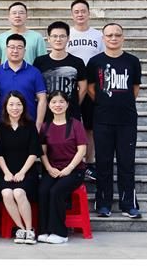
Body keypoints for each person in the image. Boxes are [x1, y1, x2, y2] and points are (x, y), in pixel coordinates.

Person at [86, 23, 142, 219]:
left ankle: (129, 204)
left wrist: (121, 102)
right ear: (103, 38)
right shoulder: (95, 61)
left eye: (117, 35)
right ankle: (103, 203)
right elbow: (91, 88)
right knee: (104, 162)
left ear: (123, 37)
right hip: (102, 119)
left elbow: (135, 89)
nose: (113, 38)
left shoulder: (132, 61)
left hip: (127, 120)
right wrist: (105, 102)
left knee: (127, 162)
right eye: (109, 35)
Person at [37, 90, 88, 244]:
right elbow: (42, 152)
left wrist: (69, 168)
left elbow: (82, 150)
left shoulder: (76, 124)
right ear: (49, 105)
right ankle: (44, 230)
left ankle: (60, 233)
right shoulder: (45, 126)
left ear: (67, 104)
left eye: (61, 102)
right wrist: (48, 168)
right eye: (54, 102)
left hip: (74, 170)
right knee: (43, 190)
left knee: (56, 191)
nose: (57, 105)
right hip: (53, 169)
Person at [0, 91, 41, 245]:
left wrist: (22, 172)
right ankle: (20, 228)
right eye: (11, 104)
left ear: (24, 107)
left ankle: (29, 229)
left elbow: (34, 152)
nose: (15, 108)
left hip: (27, 172)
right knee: (7, 193)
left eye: (18, 104)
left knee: (19, 192)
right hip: (6, 172)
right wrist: (7, 172)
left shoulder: (30, 126)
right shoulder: (0, 127)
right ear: (5, 107)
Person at [67, 0, 105, 182]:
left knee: (89, 127)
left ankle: (89, 163)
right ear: (72, 14)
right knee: (68, 126)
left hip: (91, 86)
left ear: (89, 13)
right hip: (70, 86)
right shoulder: (67, 34)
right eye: (76, 11)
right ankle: (69, 161)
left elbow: (104, 59)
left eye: (83, 11)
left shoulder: (98, 35)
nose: (80, 14)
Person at [34, 21, 87, 126]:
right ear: (48, 39)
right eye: (54, 36)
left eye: (62, 36)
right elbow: (36, 88)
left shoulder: (77, 62)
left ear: (68, 38)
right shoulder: (39, 62)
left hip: (71, 114)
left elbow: (83, 88)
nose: (58, 39)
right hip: (46, 114)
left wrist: (72, 104)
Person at [0, 34, 47, 130]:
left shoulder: (34, 72)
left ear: (24, 51)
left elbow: (42, 98)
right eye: (12, 47)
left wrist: (38, 125)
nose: (15, 51)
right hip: (3, 125)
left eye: (19, 47)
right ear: (6, 49)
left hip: (28, 124)